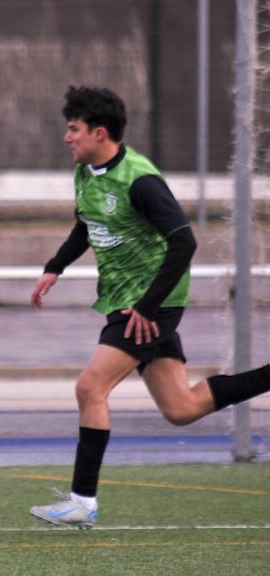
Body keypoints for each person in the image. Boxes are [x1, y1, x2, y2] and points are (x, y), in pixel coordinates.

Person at [29, 86, 270, 529]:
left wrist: (147, 306)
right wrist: (54, 268)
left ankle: (83, 501)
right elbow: (86, 224)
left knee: (89, 389)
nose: (67, 137)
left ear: (99, 133)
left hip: (147, 306)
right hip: (128, 302)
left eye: (73, 129)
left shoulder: (140, 180)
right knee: (181, 409)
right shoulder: (86, 172)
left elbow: (184, 240)